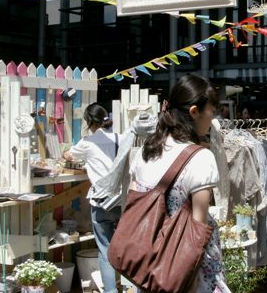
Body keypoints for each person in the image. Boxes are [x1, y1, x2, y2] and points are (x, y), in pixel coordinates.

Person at [129, 73, 228, 292]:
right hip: (186, 274)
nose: (213, 119)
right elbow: (196, 231)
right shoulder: (200, 158)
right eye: (211, 111)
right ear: (194, 111)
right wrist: (189, 283)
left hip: (150, 266)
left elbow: (132, 207)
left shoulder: (146, 151)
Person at [63, 103, 121, 293]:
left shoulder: (87, 142)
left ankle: (111, 291)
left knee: (105, 249)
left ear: (89, 121)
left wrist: (65, 152)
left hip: (101, 200)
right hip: (121, 200)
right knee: (125, 246)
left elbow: (69, 155)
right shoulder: (118, 138)